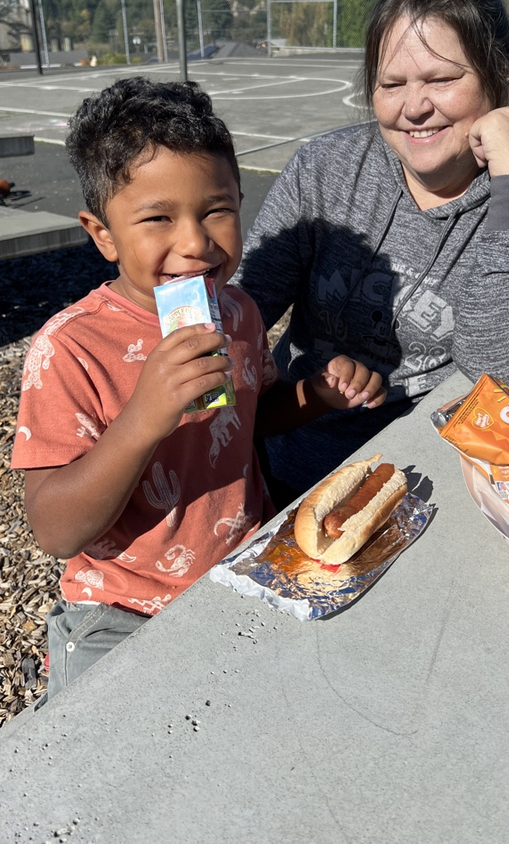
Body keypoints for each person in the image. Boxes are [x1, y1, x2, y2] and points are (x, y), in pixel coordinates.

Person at [10, 77, 386, 702]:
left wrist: (314, 397)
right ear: (102, 234)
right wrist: (141, 421)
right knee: (99, 745)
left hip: (246, 559)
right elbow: (55, 530)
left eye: (217, 210)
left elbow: (248, 419)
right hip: (124, 602)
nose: (195, 243)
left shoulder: (236, 313)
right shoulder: (70, 348)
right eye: (157, 218)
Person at [236, 0, 509, 501]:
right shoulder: (324, 169)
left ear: (499, 75)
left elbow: (508, 370)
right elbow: (243, 310)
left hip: (422, 482)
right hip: (285, 459)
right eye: (391, 84)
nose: (414, 107)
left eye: (442, 79)